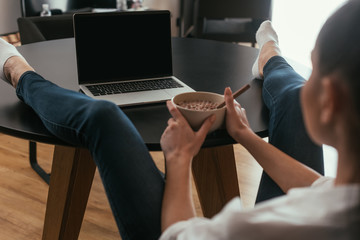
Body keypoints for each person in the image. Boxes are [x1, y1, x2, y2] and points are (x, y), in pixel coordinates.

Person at [1, 1, 359, 239]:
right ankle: (270, 57)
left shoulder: (243, 229)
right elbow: (319, 188)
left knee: (104, 116)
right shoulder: (344, 203)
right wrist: (246, 136)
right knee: (293, 97)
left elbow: (179, 233)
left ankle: (19, 73)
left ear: (330, 102)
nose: (310, 78)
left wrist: (180, 159)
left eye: (314, 70)